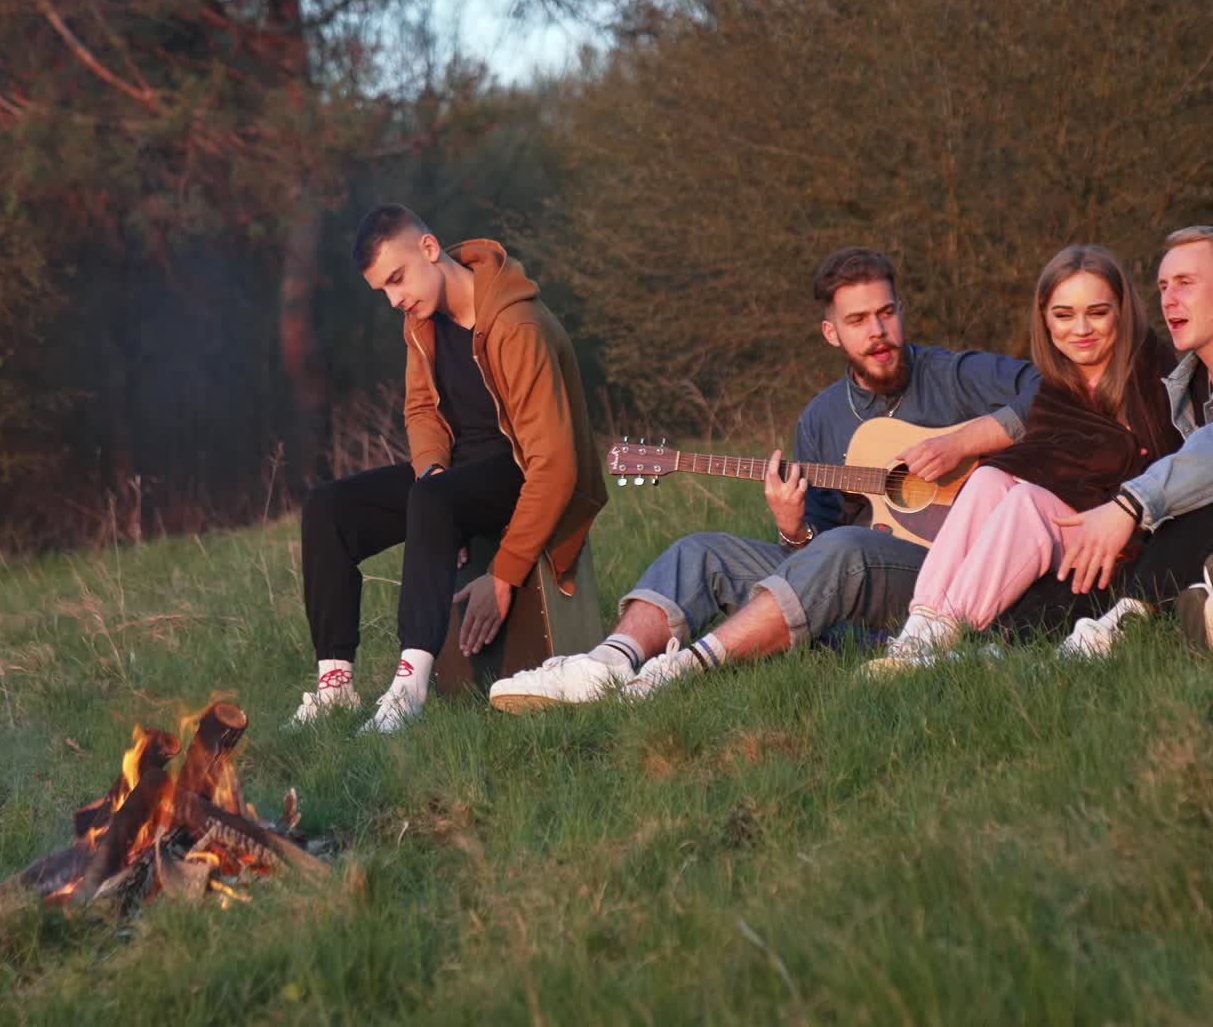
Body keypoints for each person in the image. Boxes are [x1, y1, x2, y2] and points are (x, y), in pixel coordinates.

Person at [487, 247, 1039, 712]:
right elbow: (813, 556)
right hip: (859, 582)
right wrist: (792, 528)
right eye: (857, 321)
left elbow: (1051, 389)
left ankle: (683, 670)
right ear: (831, 333)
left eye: (886, 313)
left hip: (948, 576)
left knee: (848, 547)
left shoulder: (954, 376)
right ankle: (608, 663)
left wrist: (963, 443)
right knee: (699, 551)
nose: (878, 332)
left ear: (901, 311)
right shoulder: (822, 418)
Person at [292, 204, 606, 732]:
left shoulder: (516, 324)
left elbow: (556, 467)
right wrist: (433, 472)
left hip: (523, 472)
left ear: (430, 249)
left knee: (433, 498)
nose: (395, 299)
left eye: (397, 279)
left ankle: (408, 690)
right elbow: (421, 410)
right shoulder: (421, 324)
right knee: (328, 509)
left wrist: (503, 574)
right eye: (383, 291)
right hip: (458, 479)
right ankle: (335, 687)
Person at [866, 244, 1180, 670]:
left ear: (1122, 311)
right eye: (1064, 315)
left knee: (1027, 502)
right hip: (1071, 522)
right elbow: (1037, 452)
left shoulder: (1151, 372)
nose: (1081, 329)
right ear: (1045, 318)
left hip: (1120, 536)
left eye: (1097, 312)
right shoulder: (1057, 385)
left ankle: (948, 628)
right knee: (988, 479)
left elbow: (1156, 464)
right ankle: (919, 629)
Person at [998, 226, 1213, 654]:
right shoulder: (1185, 385)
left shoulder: (1157, 374)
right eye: (1163, 286)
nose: (1169, 299)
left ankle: (1126, 621)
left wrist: (1129, 505)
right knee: (1083, 566)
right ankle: (998, 642)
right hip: (1179, 548)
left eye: (1185, 283)